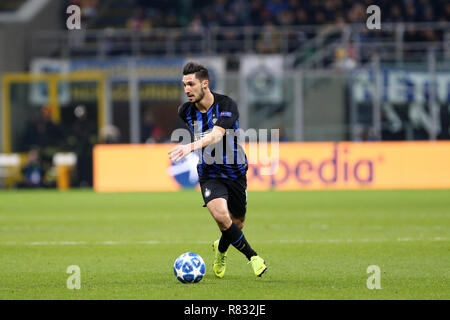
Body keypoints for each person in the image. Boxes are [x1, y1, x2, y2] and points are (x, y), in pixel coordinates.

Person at [169, 62, 267, 278]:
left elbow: (217, 134)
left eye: (191, 84)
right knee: (222, 217)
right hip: (209, 173)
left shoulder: (226, 105)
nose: (186, 89)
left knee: (236, 224)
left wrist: (189, 146)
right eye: (184, 84)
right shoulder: (185, 111)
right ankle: (253, 257)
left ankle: (220, 250)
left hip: (235, 172)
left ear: (205, 83)